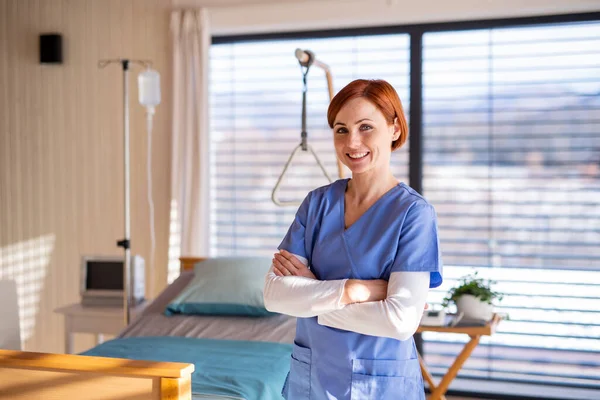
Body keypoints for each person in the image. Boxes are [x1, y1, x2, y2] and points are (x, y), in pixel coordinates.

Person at [263, 79, 443, 400]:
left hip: (379, 385)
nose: (352, 141)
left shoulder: (414, 214)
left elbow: (400, 321)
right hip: (312, 378)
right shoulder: (317, 204)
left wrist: (311, 299)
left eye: (365, 127)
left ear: (395, 129)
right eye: (341, 129)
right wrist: (357, 290)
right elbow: (275, 296)